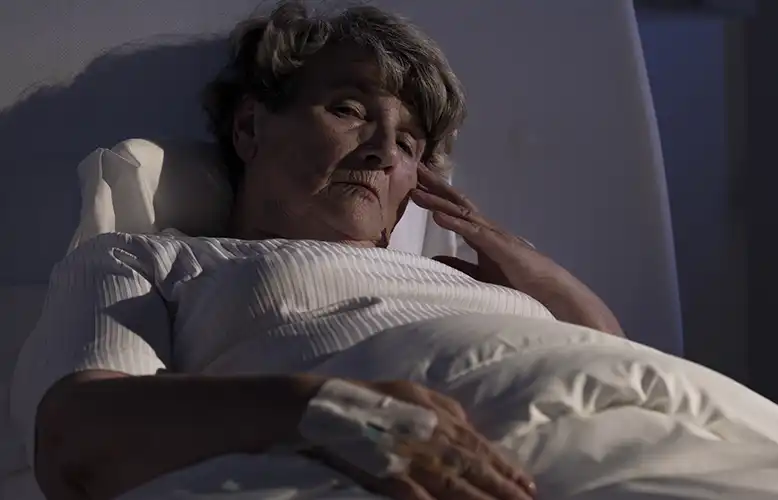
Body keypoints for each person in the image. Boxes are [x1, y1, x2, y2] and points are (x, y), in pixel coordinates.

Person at [11, 2, 625, 500]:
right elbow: (73, 437)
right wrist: (317, 410)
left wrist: (536, 272)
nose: (382, 150)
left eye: (409, 144)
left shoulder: (485, 282)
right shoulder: (150, 262)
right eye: (349, 109)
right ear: (250, 128)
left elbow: (619, 366)